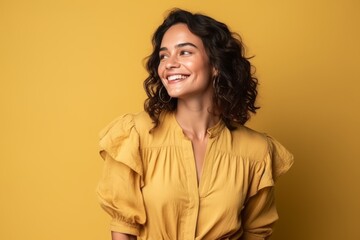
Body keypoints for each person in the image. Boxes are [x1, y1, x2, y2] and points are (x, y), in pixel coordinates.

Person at [97, 8, 294, 240]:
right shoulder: (136, 135)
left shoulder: (256, 151)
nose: (169, 64)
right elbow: (123, 227)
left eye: (184, 52)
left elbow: (256, 232)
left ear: (216, 65)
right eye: (163, 55)